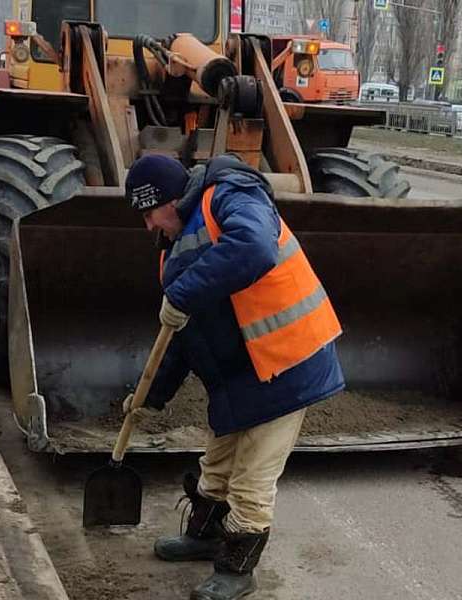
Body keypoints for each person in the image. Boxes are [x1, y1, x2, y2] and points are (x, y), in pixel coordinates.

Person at [123, 154, 345, 600]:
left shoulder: (229, 195)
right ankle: (204, 535)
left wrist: (182, 294)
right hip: (240, 374)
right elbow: (179, 340)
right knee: (217, 463)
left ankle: (237, 569)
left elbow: (255, 247)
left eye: (150, 213)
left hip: (287, 363)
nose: (149, 226)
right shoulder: (172, 255)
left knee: (251, 479)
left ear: (170, 200)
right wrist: (149, 398)